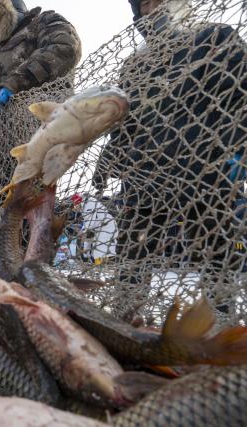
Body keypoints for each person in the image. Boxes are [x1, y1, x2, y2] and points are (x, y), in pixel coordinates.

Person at [92, 0, 247, 311]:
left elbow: (241, 100)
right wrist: (109, 156)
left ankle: (221, 327)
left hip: (207, 170)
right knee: (132, 264)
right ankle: (126, 321)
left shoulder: (216, 37)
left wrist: (236, 153)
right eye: (145, 5)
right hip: (144, 177)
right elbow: (125, 124)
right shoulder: (135, 64)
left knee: (218, 259)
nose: (154, 10)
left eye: (161, 1)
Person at [0, 0, 81, 210]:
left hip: (35, 139)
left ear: (10, 14)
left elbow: (66, 48)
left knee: (26, 214)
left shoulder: (43, 22)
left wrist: (16, 81)